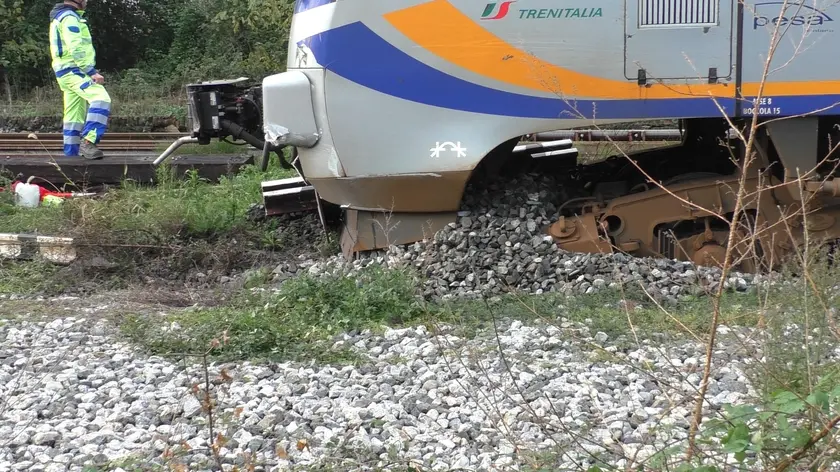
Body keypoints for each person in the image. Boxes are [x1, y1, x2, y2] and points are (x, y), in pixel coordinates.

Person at [48, 0, 110, 159]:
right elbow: (75, 47)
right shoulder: (69, 18)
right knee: (101, 98)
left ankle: (71, 155)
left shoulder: (60, 16)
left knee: (73, 116)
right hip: (73, 69)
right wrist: (91, 71)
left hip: (64, 71)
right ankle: (89, 142)